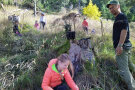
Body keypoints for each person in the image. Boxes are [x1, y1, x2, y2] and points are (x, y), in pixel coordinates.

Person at [107, 0, 135, 90]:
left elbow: (124, 31)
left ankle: (132, 87)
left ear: (118, 6)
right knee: (130, 66)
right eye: (110, 8)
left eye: (113, 7)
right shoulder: (119, 17)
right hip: (125, 46)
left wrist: (119, 45)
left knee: (124, 70)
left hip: (122, 47)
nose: (111, 10)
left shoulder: (121, 16)